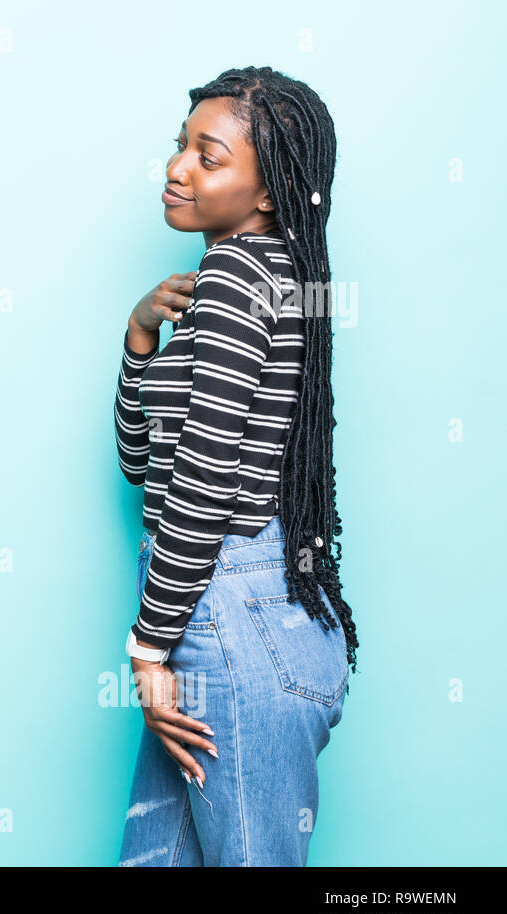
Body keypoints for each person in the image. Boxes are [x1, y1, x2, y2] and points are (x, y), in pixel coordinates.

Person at [113, 66, 358, 866]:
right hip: (254, 610)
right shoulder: (277, 276)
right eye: (181, 147)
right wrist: (140, 339)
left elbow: (203, 486)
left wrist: (149, 649)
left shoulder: (233, 277)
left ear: (267, 192)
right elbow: (143, 464)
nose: (178, 168)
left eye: (208, 157)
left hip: (225, 616)